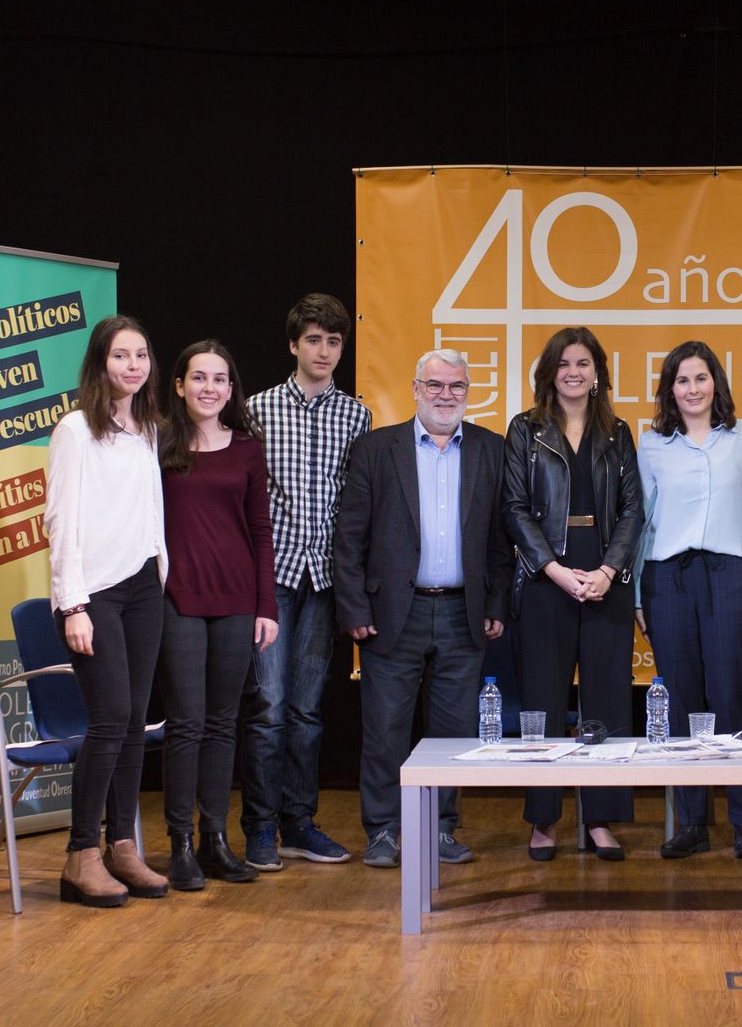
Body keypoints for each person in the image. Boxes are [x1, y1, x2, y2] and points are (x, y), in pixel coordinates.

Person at [334, 348, 514, 869]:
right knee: (385, 728)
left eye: (456, 387)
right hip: (392, 613)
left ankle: (440, 829)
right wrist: (353, 608)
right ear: (415, 389)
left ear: (469, 393)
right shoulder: (375, 449)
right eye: (435, 385)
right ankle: (384, 832)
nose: (445, 396)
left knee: (453, 733)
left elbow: (502, 542)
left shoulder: (491, 450)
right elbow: (349, 539)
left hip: (464, 612)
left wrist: (496, 600)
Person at [502, 327, 643, 862]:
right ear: (549, 372)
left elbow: (633, 509)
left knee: (606, 700)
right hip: (547, 581)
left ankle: (600, 819)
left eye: (583, 363)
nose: (573, 372)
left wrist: (608, 571)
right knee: (542, 700)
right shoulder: (526, 429)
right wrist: (554, 569)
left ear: (597, 372)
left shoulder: (618, 431)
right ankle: (543, 821)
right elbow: (513, 507)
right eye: (563, 363)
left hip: (605, 579)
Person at [241, 293, 371, 869]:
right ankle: (260, 827)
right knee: (267, 707)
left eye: (334, 341)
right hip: (270, 580)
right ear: (294, 345)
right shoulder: (255, 410)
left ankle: (299, 822)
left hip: (323, 583)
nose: (324, 350)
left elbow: (355, 508)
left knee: (308, 711)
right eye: (313, 339)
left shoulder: (356, 415)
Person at [45, 314, 169, 908]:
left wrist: (160, 570)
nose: (134, 366)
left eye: (141, 356)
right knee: (111, 717)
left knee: (136, 722)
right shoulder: (76, 429)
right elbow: (61, 519)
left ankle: (123, 847)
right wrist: (72, 603)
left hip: (145, 586)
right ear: (100, 364)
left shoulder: (147, 429)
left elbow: (147, 510)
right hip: (94, 593)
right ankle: (80, 855)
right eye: (122, 356)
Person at [635, 341, 742, 860]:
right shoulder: (651, 445)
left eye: (701, 378)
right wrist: (636, 601)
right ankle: (692, 822)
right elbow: (642, 522)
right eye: (682, 380)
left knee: (732, 695)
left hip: (731, 575)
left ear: (717, 384)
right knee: (684, 698)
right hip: (668, 576)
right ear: (670, 388)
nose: (692, 389)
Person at [155, 341, 278, 891]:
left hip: (236, 601)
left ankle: (216, 841)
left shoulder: (249, 450)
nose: (210, 387)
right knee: (186, 723)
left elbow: (260, 532)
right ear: (179, 384)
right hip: (177, 599)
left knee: (224, 723)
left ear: (232, 389)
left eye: (220, 379)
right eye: (199, 377)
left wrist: (266, 606)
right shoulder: (156, 443)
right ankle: (179, 843)